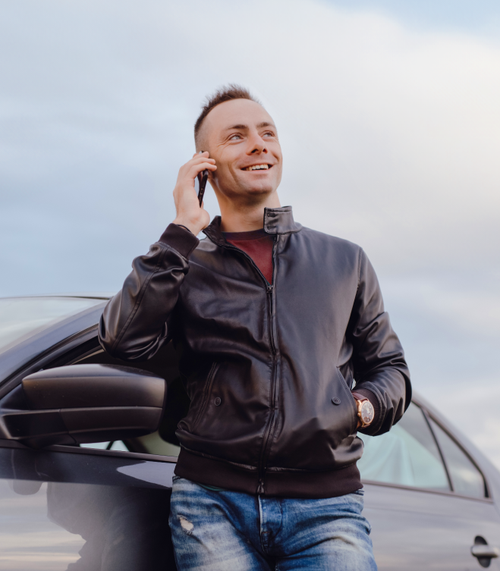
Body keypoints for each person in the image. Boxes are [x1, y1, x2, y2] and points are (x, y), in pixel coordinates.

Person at [98, 84, 411, 570]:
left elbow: (390, 368)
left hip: (327, 507)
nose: (260, 144)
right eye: (237, 136)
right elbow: (123, 340)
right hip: (210, 503)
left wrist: (357, 408)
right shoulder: (184, 263)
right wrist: (182, 229)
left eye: (268, 133)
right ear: (205, 164)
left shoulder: (344, 261)